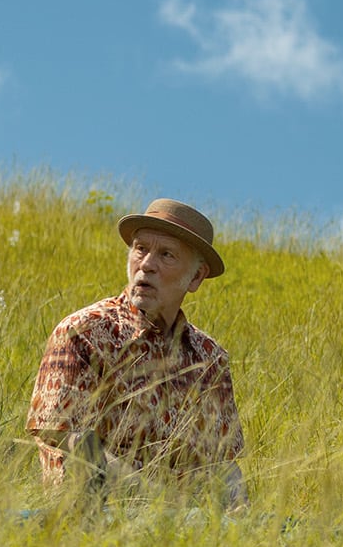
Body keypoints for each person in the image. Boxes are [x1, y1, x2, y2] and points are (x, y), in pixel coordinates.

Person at [27, 198, 246, 507]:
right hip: (95, 521)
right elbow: (67, 445)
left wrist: (240, 526)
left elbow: (224, 467)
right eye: (140, 249)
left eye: (166, 255)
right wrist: (162, 503)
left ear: (196, 277)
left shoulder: (210, 359)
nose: (146, 265)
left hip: (190, 536)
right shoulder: (84, 333)